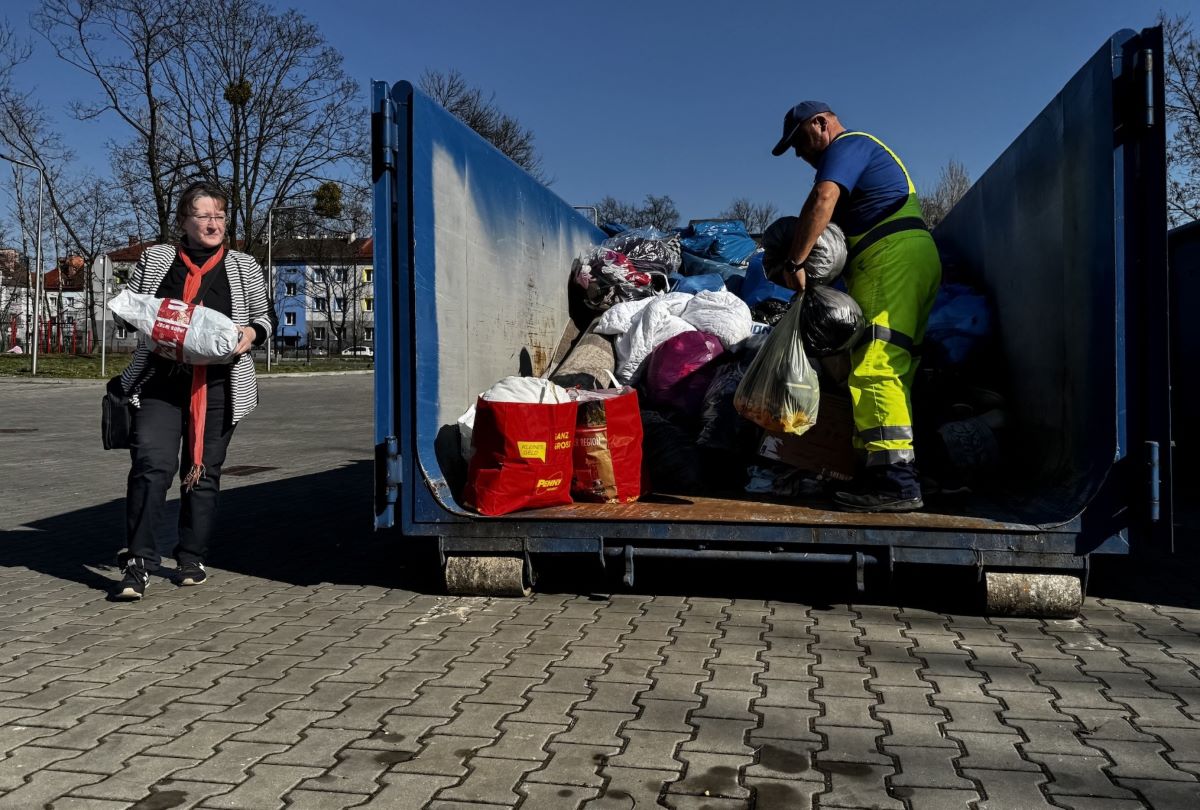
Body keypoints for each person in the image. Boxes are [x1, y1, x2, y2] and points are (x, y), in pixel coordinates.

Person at [770, 101, 941, 512]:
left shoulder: (850, 145)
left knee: (875, 365)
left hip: (889, 256)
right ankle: (883, 472)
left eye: (799, 141)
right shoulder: (856, 156)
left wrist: (795, 261)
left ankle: (896, 483)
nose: (799, 153)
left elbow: (822, 198)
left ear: (821, 123)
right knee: (896, 368)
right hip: (900, 257)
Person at [111, 180, 274, 599]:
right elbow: (134, 313)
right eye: (203, 215)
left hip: (220, 385)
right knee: (152, 465)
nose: (213, 222)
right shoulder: (158, 258)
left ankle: (190, 556)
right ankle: (138, 562)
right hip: (160, 382)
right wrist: (133, 316)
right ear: (184, 221)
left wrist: (251, 333)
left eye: (219, 215)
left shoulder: (244, 265)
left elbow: (264, 319)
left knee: (202, 474)